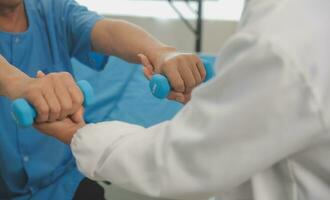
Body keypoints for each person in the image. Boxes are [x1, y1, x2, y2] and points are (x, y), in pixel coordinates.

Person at [35, 0, 330, 199]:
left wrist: (79, 133)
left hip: (66, 181)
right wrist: (225, 96)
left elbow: (185, 159)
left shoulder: (282, 42)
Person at [0, 0, 205, 199]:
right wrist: (19, 84)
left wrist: (160, 53)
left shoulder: (53, 10)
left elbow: (106, 31)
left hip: (63, 183)